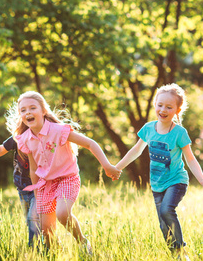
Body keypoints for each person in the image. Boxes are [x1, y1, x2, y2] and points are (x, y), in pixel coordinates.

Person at [10, 91, 121, 252]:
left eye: (32, 108)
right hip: (45, 184)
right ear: (20, 115)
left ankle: (83, 243)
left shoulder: (58, 130)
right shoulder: (25, 138)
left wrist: (107, 165)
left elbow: (90, 144)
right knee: (46, 230)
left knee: (62, 214)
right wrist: (37, 193)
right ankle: (58, 257)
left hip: (67, 179)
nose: (28, 112)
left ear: (43, 111)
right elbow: (33, 169)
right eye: (23, 110)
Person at [116, 84, 203, 260]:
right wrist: (117, 167)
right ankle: (176, 256)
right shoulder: (149, 129)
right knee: (162, 224)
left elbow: (190, 158)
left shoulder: (179, 133)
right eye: (160, 105)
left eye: (169, 107)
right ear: (155, 105)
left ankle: (181, 250)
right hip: (157, 184)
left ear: (177, 110)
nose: (163, 110)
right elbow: (136, 151)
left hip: (176, 181)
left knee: (167, 211)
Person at [0, 136, 41, 247]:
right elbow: (1, 149)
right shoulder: (19, 136)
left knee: (33, 218)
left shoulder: (44, 136)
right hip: (22, 188)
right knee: (31, 222)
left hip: (40, 188)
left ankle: (35, 252)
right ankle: (50, 245)